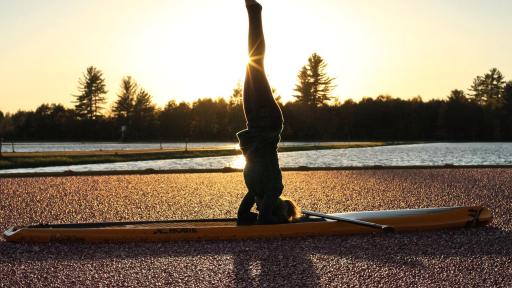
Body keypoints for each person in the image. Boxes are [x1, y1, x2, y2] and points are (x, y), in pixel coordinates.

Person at [237, 0, 301, 225]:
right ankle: (255, 11)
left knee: (249, 64)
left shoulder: (255, 191)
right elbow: (264, 221)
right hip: (270, 124)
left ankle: (253, 12)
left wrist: (253, 209)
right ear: (276, 206)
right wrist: (280, 221)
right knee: (256, 63)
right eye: (272, 209)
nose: (259, 206)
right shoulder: (275, 188)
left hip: (255, 125)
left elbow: (242, 218)